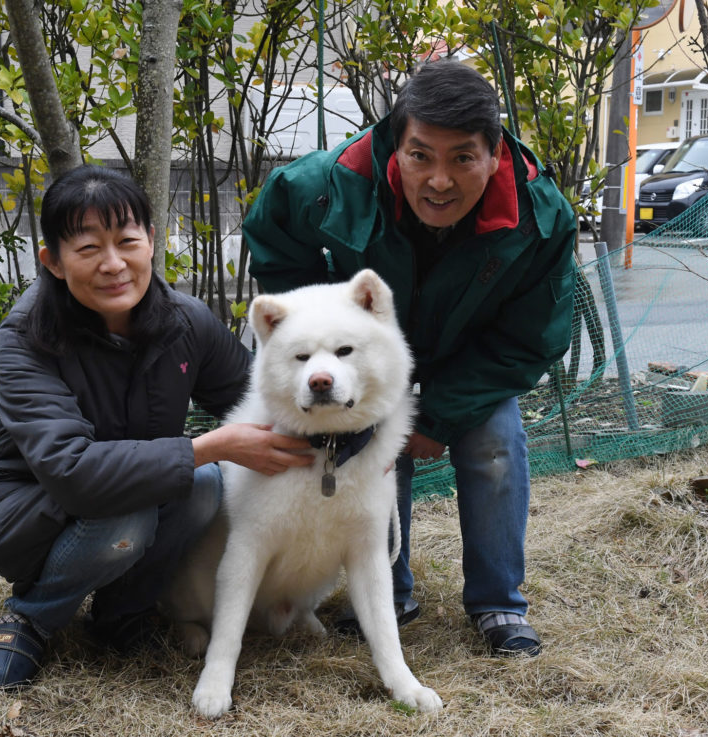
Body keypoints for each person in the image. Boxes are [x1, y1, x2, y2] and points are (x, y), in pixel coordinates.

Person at [242, 58, 577, 656]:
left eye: (462, 159)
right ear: (396, 146)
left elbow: (530, 339)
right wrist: (321, 320)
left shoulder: (540, 219)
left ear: (494, 154)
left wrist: (440, 416)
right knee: (365, 445)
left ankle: (499, 603)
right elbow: (274, 239)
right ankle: (389, 595)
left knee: (495, 443)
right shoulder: (327, 184)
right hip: (361, 358)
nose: (439, 180)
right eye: (421, 155)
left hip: (469, 360)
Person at [0, 165, 312, 689]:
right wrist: (211, 446)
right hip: (28, 506)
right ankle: (32, 616)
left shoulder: (185, 322)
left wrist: (342, 424)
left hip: (137, 494)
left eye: (127, 241)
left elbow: (260, 399)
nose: (113, 264)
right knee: (139, 508)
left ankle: (123, 613)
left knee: (201, 486)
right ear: (52, 262)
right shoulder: (26, 337)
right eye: (88, 249)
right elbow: (72, 471)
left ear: (151, 241)